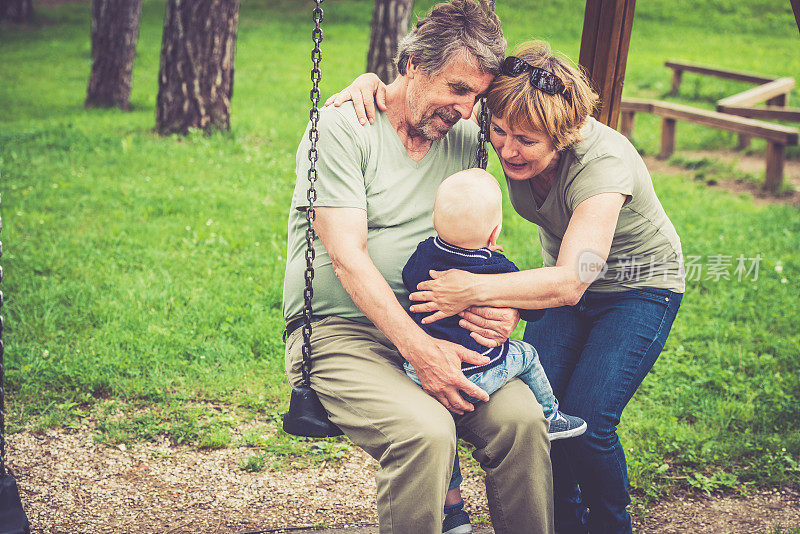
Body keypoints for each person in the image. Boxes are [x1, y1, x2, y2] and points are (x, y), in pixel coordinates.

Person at [331, 40, 685, 534]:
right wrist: (376, 87)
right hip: (551, 281)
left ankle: (609, 525)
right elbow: (436, 93)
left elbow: (571, 281)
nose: (508, 149)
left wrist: (472, 290)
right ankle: (564, 524)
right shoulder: (508, 123)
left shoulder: (602, 166)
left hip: (635, 287)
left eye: (527, 141)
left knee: (588, 424)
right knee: (547, 421)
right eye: (499, 131)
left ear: (563, 135)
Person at [282, 3, 554, 534]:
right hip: (341, 335)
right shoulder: (343, 128)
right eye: (456, 89)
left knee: (522, 422)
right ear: (411, 64)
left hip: (441, 326)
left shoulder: (466, 138)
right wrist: (420, 350)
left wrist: (499, 310)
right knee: (425, 432)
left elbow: (487, 232)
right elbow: (346, 256)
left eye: (477, 96)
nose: (466, 108)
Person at [402, 168, 586, 534]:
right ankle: (550, 416)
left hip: (422, 366)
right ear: (494, 233)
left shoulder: (423, 254)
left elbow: (410, 277)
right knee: (527, 353)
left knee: (441, 432)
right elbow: (535, 308)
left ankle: (453, 514)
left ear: (435, 220)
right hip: (479, 368)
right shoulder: (496, 267)